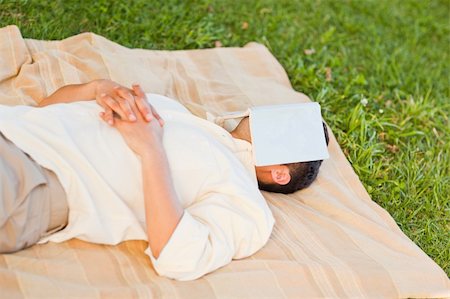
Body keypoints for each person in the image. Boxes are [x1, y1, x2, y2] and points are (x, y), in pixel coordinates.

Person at [0, 79, 328, 280]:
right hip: (13, 125)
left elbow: (181, 258)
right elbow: (43, 109)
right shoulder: (175, 109)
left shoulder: (245, 203)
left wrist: (150, 148)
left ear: (280, 174)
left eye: (291, 131)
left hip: (35, 180)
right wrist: (96, 88)